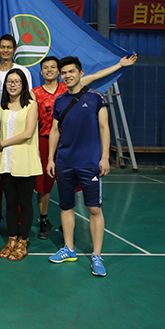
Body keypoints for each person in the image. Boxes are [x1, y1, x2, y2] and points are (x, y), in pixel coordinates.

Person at [33, 54, 137, 239]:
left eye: (53, 67)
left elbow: (97, 75)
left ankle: (69, 225)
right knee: (43, 185)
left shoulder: (70, 86)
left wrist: (119, 65)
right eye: (45, 67)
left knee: (75, 189)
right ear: (41, 72)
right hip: (46, 141)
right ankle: (44, 220)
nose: (50, 70)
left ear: (59, 71)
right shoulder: (35, 93)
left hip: (74, 144)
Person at [47, 57, 111, 277]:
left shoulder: (96, 98)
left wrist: (104, 157)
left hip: (89, 162)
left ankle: (97, 256)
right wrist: (51, 159)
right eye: (64, 73)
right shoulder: (60, 101)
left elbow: (104, 128)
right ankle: (69, 249)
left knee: (94, 209)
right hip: (64, 162)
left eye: (71, 71)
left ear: (81, 73)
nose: (67, 76)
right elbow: (54, 131)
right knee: (66, 206)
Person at [0, 35, 32, 234]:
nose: (6, 50)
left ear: (14, 49)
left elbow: (29, 99)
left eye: (9, 47)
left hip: (18, 128)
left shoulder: (23, 71)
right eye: (3, 47)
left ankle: (20, 224)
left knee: (19, 185)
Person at [0, 69, 42, 261]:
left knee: (25, 203)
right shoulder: (0, 107)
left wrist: (3, 144)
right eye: (9, 82)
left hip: (26, 160)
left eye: (17, 82)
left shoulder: (31, 105)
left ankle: (23, 241)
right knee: (11, 203)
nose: (13, 85)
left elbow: (28, 133)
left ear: (23, 85)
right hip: (7, 161)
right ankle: (11, 239)